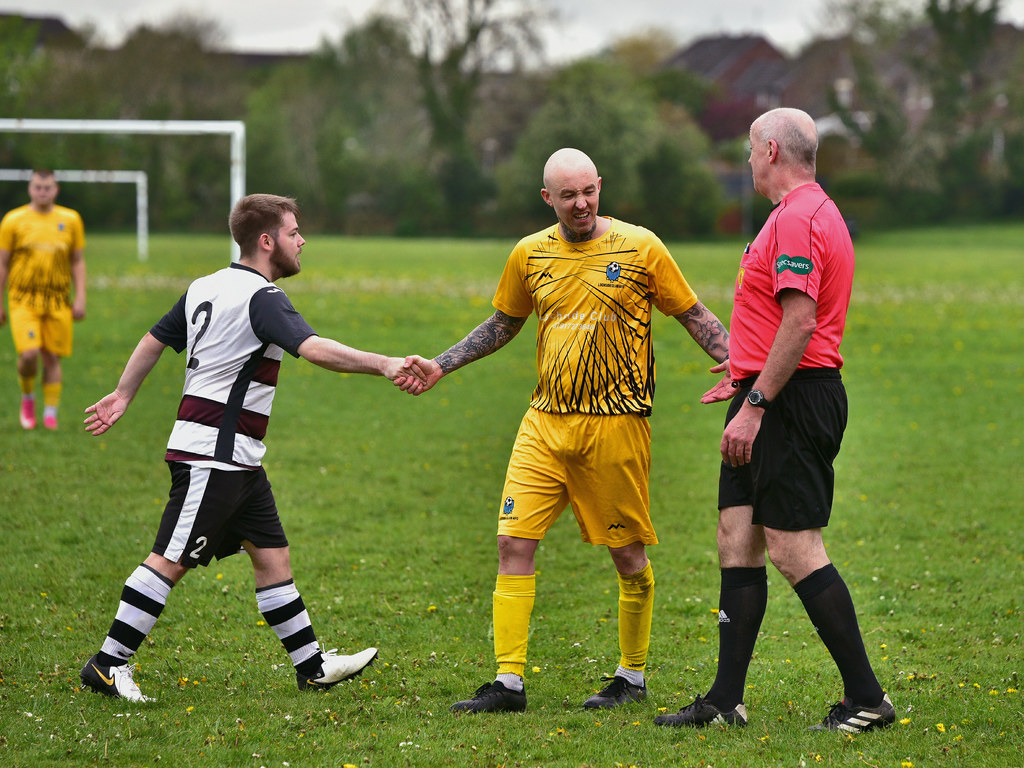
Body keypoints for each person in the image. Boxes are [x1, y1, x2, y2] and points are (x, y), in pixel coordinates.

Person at [396, 148, 730, 713]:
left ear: (601, 186)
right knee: (511, 542)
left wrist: (743, 368)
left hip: (617, 424)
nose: (581, 204)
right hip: (544, 424)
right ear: (547, 198)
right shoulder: (528, 253)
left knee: (627, 556)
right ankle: (508, 683)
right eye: (567, 195)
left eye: (588, 192)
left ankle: (632, 675)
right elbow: (504, 323)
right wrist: (441, 363)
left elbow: (693, 313)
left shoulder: (642, 246)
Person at [78, 193, 432, 703]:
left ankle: (311, 666)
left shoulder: (204, 285)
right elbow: (313, 349)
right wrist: (382, 362)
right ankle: (108, 664)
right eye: (293, 233)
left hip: (238, 459)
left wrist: (124, 393)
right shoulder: (261, 296)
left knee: (273, 558)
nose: (302, 240)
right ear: (267, 241)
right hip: (212, 457)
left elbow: (156, 338)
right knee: (170, 560)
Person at [653, 108, 895, 732]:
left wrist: (757, 403)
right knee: (737, 539)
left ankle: (867, 699)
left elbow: (801, 320)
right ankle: (724, 701)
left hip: (788, 403)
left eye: (747, 150)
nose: (746, 160)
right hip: (766, 391)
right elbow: (776, 322)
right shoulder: (812, 210)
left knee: (793, 548)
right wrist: (744, 372)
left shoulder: (795, 217)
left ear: (768, 150)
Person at [0, 169, 87, 430]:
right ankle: (28, 399)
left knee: (51, 357)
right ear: (30, 188)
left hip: (58, 300)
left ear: (56, 189)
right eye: (38, 187)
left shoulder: (71, 219)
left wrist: (80, 296)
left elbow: (77, 261)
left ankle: (50, 414)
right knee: (29, 354)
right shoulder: (13, 220)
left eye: (47, 187)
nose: (42, 192)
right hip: (23, 299)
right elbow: (3, 263)